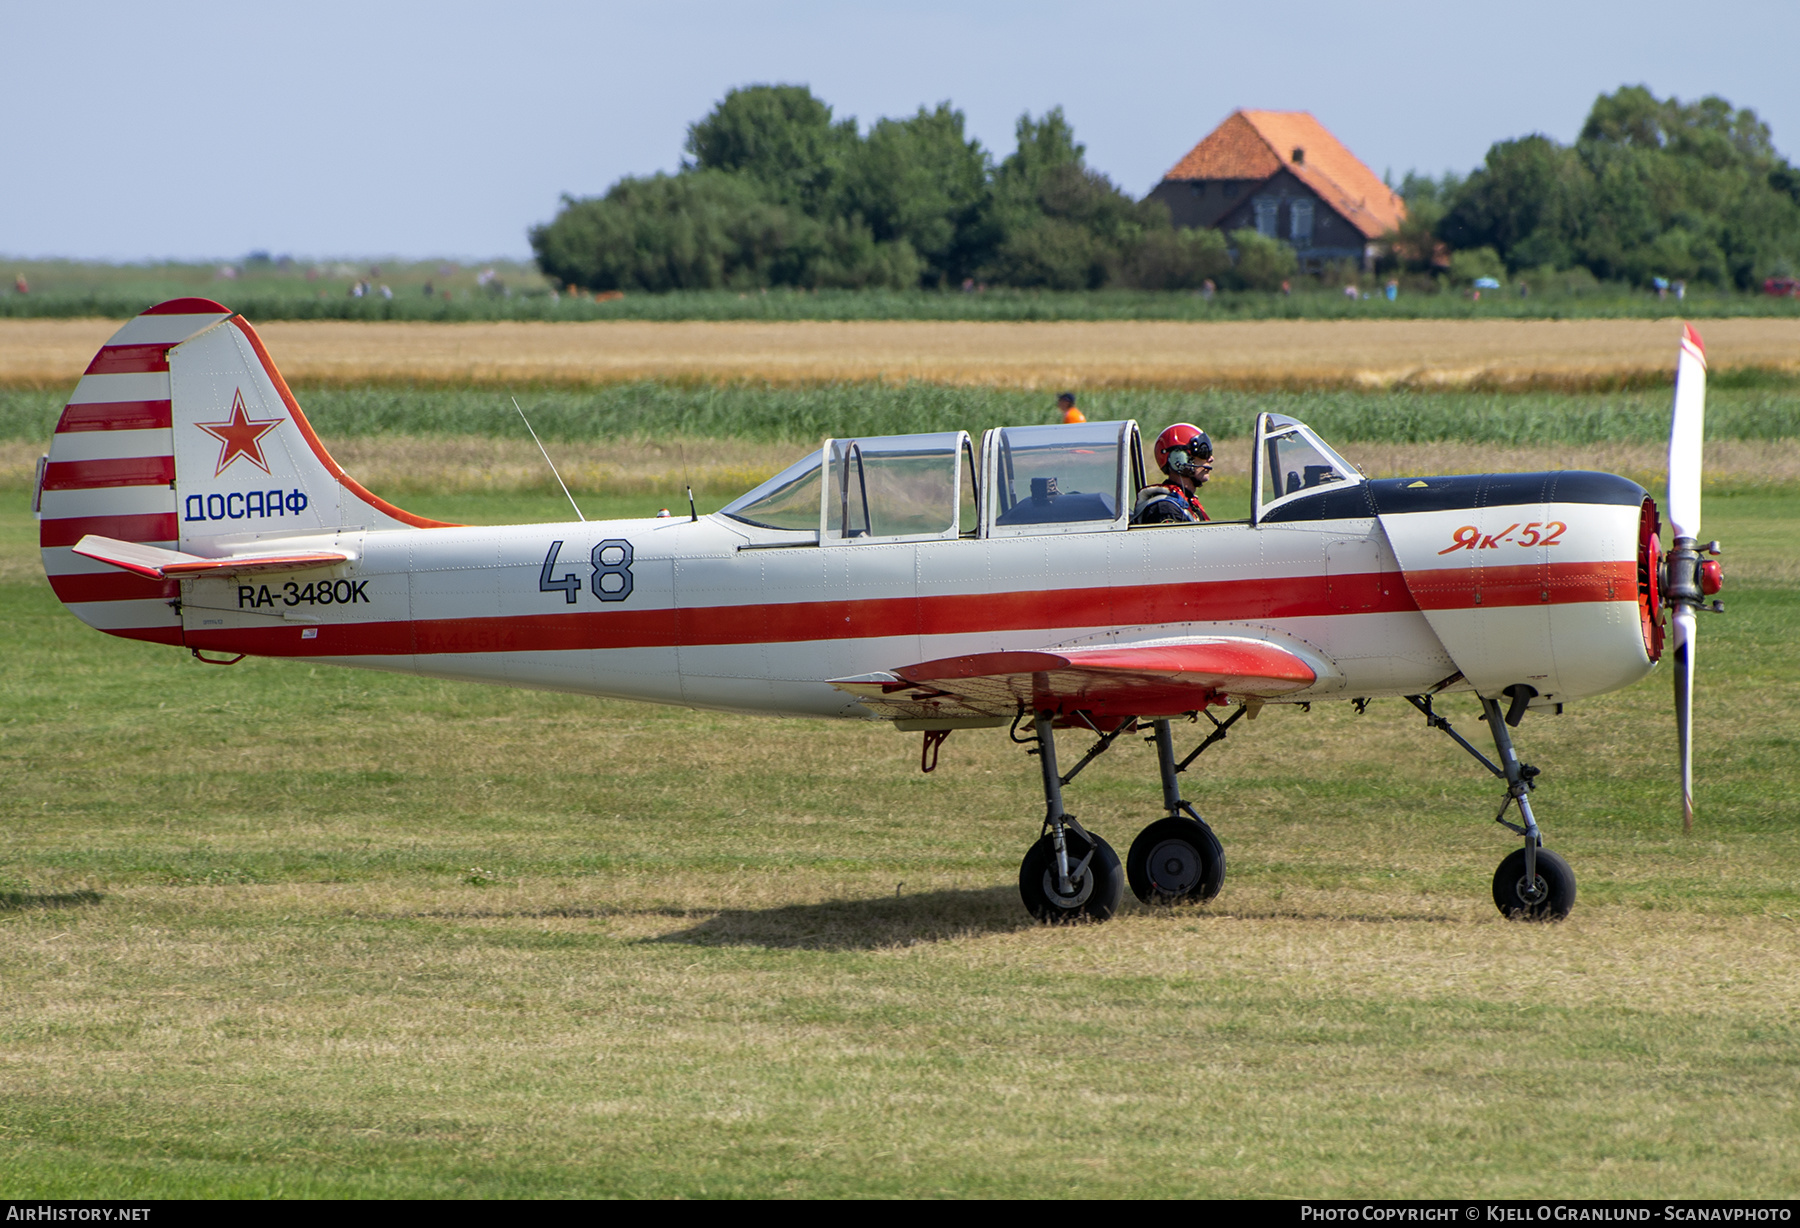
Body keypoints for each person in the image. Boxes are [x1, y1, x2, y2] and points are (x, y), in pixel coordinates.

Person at [1132, 423, 1212, 524]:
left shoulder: (1188, 504)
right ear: (1178, 458)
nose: (1210, 458)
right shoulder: (1165, 509)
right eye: (1203, 451)